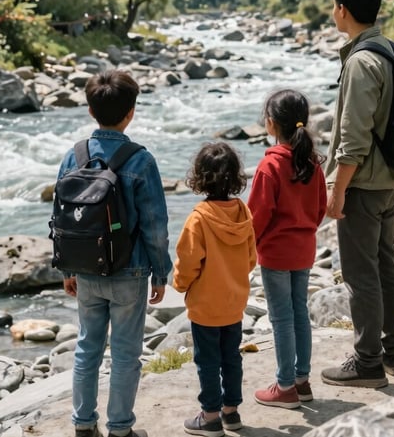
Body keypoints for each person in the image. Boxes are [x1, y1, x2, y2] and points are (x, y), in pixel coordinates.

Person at [59, 70, 173, 437]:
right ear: (132, 112)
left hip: (86, 270)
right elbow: (155, 225)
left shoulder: (73, 156)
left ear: (90, 111)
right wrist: (160, 272)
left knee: (86, 349)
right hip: (130, 270)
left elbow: (62, 219)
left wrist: (67, 268)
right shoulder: (140, 160)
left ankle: (83, 425)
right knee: (125, 354)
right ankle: (120, 429)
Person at [320, 0, 394, 389]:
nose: (332, 11)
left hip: (365, 185)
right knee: (387, 264)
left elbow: (352, 141)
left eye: (334, 5)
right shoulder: (389, 50)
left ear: (343, 10)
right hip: (391, 179)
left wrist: (337, 192)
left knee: (361, 274)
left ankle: (368, 360)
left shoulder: (360, 62)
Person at [247, 89, 327, 409]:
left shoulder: (270, 167)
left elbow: (257, 215)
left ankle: (284, 387)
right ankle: (302, 381)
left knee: (281, 319)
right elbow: (320, 207)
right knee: (299, 314)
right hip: (304, 249)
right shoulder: (312, 162)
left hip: (277, 254)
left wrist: (248, 247)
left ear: (270, 125)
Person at [173, 142, 257, 437]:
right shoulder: (243, 212)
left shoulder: (198, 218)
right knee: (231, 356)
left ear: (199, 177)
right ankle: (231, 413)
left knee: (207, 361)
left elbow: (187, 262)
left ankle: (210, 417)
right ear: (236, 177)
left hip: (206, 306)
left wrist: (180, 285)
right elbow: (250, 258)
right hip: (234, 302)